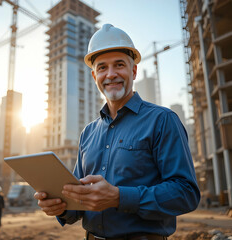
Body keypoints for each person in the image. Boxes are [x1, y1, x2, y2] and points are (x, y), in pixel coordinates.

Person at [34, 24, 200, 240]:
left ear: (133, 71)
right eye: (102, 68)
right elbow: (79, 202)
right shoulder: (88, 133)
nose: (111, 74)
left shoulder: (162, 120)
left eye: (119, 65)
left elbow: (186, 193)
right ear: (94, 76)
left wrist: (119, 197)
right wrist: (60, 206)